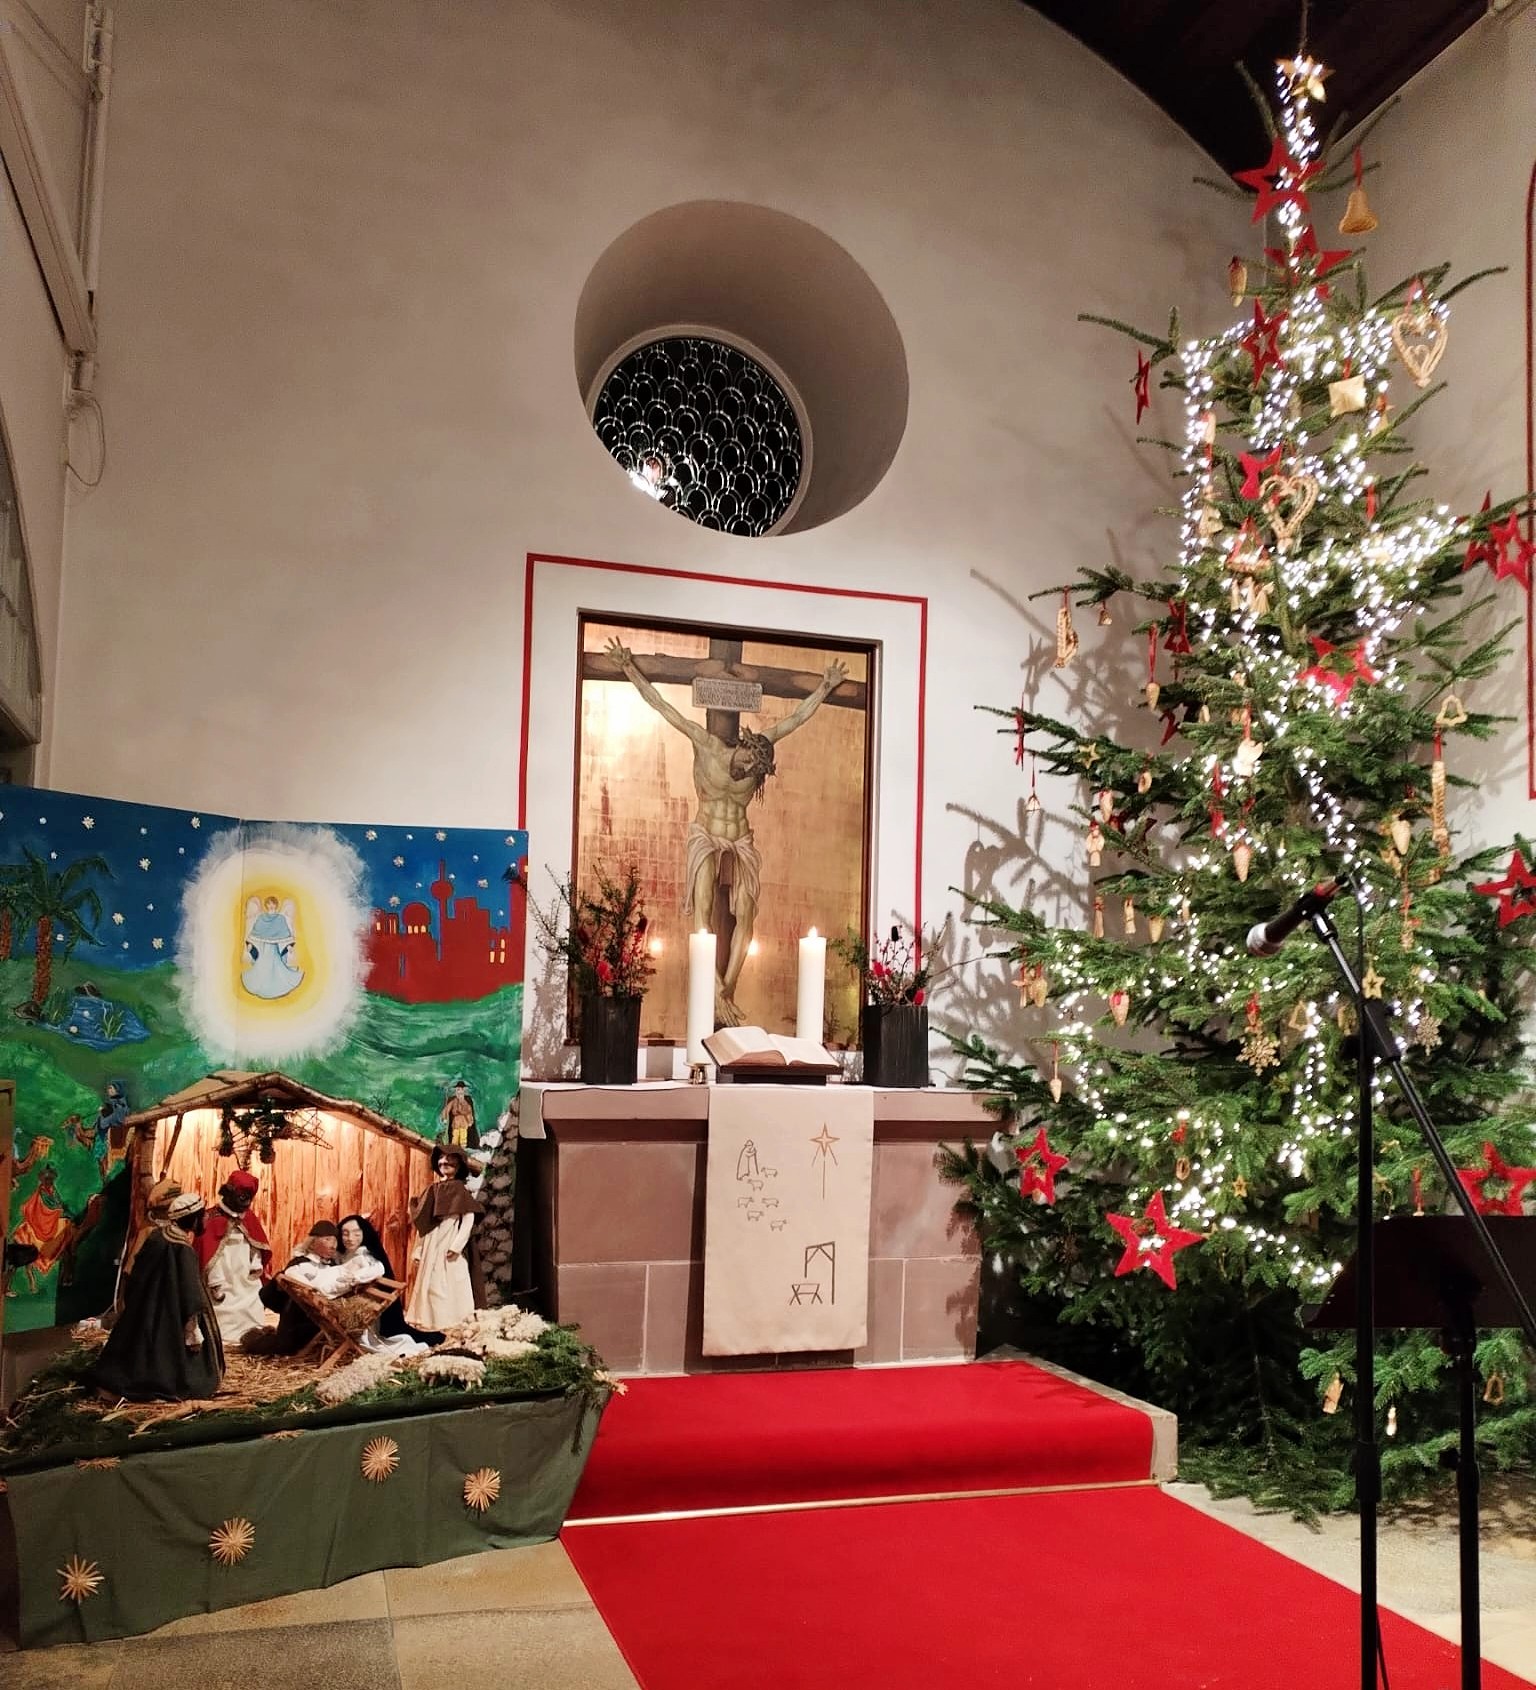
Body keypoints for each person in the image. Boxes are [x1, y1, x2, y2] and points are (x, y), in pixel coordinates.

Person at [605, 637, 848, 1025]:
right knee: (703, 901)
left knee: (747, 912)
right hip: (706, 833)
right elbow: (664, 707)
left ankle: (726, 989)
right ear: (745, 746)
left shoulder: (758, 760)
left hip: (740, 837)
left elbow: (796, 719)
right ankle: (713, 984)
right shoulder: (707, 745)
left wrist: (825, 686)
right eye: (747, 764)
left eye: (754, 773)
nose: (747, 772)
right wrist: (628, 667)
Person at [90, 1191, 225, 1401]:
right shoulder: (183, 1250)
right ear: (193, 1219)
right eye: (203, 1215)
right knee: (170, 1359)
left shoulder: (157, 1237)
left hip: (146, 1310)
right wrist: (192, 1329)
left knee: (140, 1349)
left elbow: (138, 1273)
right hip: (171, 1316)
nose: (206, 1218)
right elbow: (189, 1292)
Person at [337, 1213, 440, 1351]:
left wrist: (356, 1278)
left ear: (364, 1234)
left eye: (356, 1234)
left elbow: (377, 1269)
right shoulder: (342, 1255)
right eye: (345, 1234)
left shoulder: (365, 1256)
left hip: (363, 1311)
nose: (350, 1238)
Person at [406, 1147, 482, 1330]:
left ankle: (455, 1319)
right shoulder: (433, 1190)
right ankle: (430, 1319)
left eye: (449, 1160)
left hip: (449, 1240)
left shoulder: (459, 1191)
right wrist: (419, 1249)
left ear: (458, 1165)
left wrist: (457, 1245)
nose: (444, 1163)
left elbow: (468, 1219)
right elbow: (424, 1223)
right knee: (430, 1281)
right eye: (441, 1159)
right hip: (431, 1242)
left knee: (452, 1280)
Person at [195, 1170, 273, 1344]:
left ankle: (251, 1332)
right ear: (229, 1193)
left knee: (253, 1296)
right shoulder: (210, 1218)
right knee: (222, 1303)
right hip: (221, 1274)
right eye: (241, 1198)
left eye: (248, 1199)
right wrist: (215, 1280)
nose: (245, 1204)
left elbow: (258, 1243)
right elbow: (206, 1252)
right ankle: (221, 1335)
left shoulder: (249, 1218)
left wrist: (256, 1263)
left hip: (245, 1273)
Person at [241, 894, 304, 1000]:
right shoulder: (261, 918)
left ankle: (276, 984)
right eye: (269, 904)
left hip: (274, 949)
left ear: (276, 905)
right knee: (262, 965)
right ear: (266, 905)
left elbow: (286, 934)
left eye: (273, 904)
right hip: (264, 949)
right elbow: (255, 932)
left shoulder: (280, 919)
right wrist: (250, 944)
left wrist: (289, 946)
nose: (271, 906)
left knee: (275, 966)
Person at [438, 1079, 478, 1150]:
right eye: (457, 1090)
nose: (458, 1091)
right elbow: (447, 1108)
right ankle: (454, 1149)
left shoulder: (466, 1102)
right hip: (456, 1122)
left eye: (460, 1090)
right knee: (455, 1137)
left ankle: (463, 1149)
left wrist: (470, 1121)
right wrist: (444, 1117)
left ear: (463, 1090)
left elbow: (469, 1112)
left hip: (464, 1122)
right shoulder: (454, 1101)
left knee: (463, 1138)